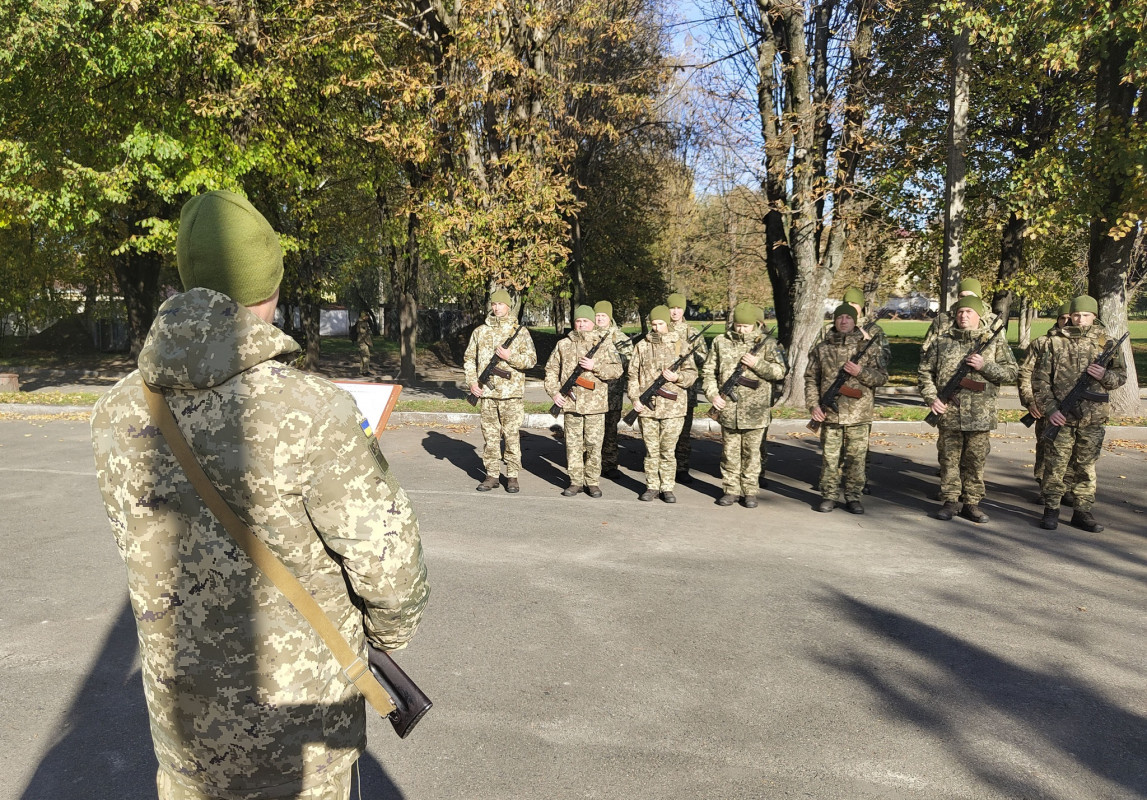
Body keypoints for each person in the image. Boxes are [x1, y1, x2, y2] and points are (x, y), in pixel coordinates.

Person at [90, 190, 430, 800]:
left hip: (184, 726)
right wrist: (384, 636)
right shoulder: (313, 410)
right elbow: (389, 568)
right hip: (298, 730)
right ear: (268, 289)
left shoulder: (115, 412)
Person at [1032, 295, 1127, 532]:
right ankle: (1051, 510)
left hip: (1093, 418)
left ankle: (1082, 511)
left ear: (1094, 316)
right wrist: (1051, 409)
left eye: (1086, 315)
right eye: (1076, 315)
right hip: (1061, 416)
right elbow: (1040, 380)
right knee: (1056, 466)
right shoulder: (1054, 343)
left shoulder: (1107, 343)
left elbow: (1120, 378)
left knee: (1086, 466)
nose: (1080, 319)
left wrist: (1103, 375)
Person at [918, 296, 1017, 523]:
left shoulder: (993, 342)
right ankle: (950, 501)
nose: (964, 316)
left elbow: (1012, 372)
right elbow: (924, 372)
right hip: (948, 412)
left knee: (975, 460)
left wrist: (985, 366)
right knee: (948, 459)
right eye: (960, 312)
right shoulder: (941, 342)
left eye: (969, 312)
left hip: (980, 415)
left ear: (978, 315)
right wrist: (932, 398)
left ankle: (971, 503)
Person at [702, 302, 787, 508]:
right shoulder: (721, 342)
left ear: (755, 325)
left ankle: (749, 491)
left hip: (755, 411)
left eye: (746, 326)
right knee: (729, 453)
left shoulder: (768, 344)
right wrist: (713, 395)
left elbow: (779, 372)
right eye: (738, 325)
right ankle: (730, 490)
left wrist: (756, 363)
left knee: (752, 454)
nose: (741, 329)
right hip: (728, 408)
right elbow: (708, 372)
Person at [806, 304, 888, 514]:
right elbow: (811, 379)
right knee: (830, 458)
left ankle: (853, 497)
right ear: (834, 321)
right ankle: (829, 496)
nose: (843, 321)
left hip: (859, 414)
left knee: (856, 459)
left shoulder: (868, 348)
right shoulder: (821, 349)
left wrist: (861, 372)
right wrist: (814, 406)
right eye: (839, 317)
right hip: (829, 414)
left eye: (848, 318)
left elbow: (882, 378)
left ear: (855, 321)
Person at [464, 289, 538, 493]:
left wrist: (510, 355)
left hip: (511, 395)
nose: (496, 308)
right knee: (490, 436)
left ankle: (512, 475)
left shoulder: (520, 332)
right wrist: (472, 382)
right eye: (494, 304)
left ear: (508, 306)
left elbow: (531, 360)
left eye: (501, 304)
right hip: (487, 395)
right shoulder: (480, 331)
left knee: (512, 436)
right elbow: (469, 358)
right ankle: (492, 475)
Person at [545, 305, 623, 496]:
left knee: (594, 445)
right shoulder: (564, 344)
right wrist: (554, 392)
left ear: (592, 323)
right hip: (571, 404)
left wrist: (595, 366)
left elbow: (617, 370)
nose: (581, 325)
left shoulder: (604, 344)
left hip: (595, 406)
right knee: (573, 445)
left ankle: (592, 482)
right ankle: (575, 481)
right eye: (578, 321)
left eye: (585, 321)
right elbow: (551, 370)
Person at [629, 305, 698, 502]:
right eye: (654, 324)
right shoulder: (642, 346)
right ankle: (652, 486)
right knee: (651, 451)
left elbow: (692, 373)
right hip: (647, 407)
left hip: (673, 408)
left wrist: (677, 377)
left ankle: (667, 487)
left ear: (667, 323)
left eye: (660, 323)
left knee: (668, 450)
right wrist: (635, 398)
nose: (657, 328)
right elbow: (632, 375)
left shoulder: (681, 345)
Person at [1018, 300, 1072, 493]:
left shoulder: (1084, 344)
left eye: (1069, 318)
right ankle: (1044, 485)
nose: (1066, 321)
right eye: (1062, 318)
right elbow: (1025, 373)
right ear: (1057, 320)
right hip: (1045, 405)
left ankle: (1065, 488)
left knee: (1071, 452)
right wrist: (1030, 401)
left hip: (1073, 408)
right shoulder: (1042, 343)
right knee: (1046, 446)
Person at [667, 292, 708, 485]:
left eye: (678, 308)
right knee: (664, 430)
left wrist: (690, 352)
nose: (675, 312)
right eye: (672, 308)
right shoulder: (662, 328)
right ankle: (663, 467)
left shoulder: (692, 332)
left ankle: (682, 468)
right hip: (664, 390)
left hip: (685, 389)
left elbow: (703, 359)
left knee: (683, 432)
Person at [594, 300, 634, 478]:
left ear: (609, 317)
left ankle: (609, 464)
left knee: (610, 430)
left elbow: (628, 361)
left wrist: (609, 355)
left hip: (613, 393)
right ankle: (591, 465)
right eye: (598, 315)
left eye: (603, 315)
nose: (600, 319)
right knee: (592, 431)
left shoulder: (621, 338)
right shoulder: (589, 334)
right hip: (591, 393)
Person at [922, 278, 997, 358]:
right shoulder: (943, 320)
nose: (966, 299)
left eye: (971, 296)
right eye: (962, 296)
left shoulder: (994, 321)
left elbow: (1003, 359)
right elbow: (926, 349)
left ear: (979, 298)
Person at [356, 310, 373, 376]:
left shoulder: (360, 322)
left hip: (361, 342)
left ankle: (362, 370)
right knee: (366, 356)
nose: (368, 317)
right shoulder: (362, 323)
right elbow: (363, 333)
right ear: (364, 317)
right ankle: (365, 371)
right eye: (366, 316)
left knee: (362, 357)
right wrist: (368, 342)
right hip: (363, 342)